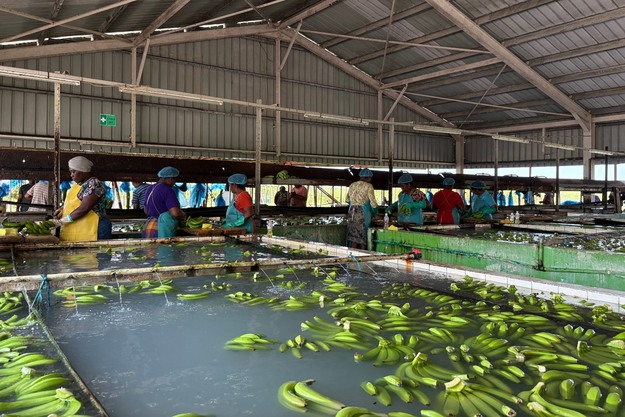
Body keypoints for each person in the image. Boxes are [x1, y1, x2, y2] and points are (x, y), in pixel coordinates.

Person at [53, 156, 112, 241]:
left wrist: (62, 221)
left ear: (83, 170)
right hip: (81, 227)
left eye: (73, 171)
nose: (71, 175)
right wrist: (63, 210)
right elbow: (76, 203)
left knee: (95, 249)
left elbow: (84, 208)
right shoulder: (79, 186)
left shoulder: (94, 184)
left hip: (95, 227)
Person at [142, 166, 186, 238]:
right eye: (175, 180)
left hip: (149, 226)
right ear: (171, 179)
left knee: (149, 246)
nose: (174, 183)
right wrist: (183, 215)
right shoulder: (167, 190)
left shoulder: (149, 189)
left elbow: (146, 210)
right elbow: (175, 213)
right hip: (161, 229)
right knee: (164, 246)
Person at [346, 168, 378, 249]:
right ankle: (363, 253)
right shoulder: (368, 186)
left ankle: (352, 253)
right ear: (369, 178)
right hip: (362, 212)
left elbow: (347, 200)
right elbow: (373, 203)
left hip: (351, 212)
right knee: (363, 235)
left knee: (353, 236)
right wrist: (375, 212)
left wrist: (354, 202)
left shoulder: (352, 185)